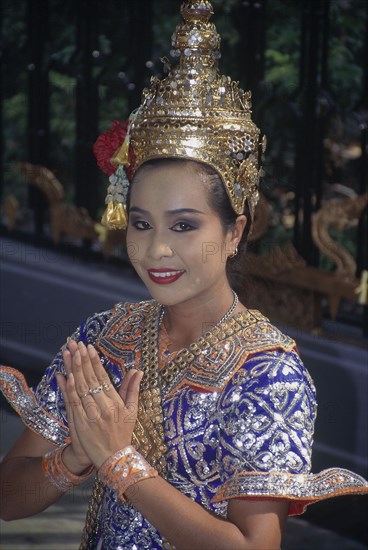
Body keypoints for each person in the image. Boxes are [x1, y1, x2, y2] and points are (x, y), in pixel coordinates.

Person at [1, 1, 367, 549]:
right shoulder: (104, 341)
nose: (157, 249)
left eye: (185, 225)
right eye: (142, 223)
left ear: (235, 232)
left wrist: (120, 463)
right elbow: (7, 499)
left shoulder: (266, 374)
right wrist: (78, 453)